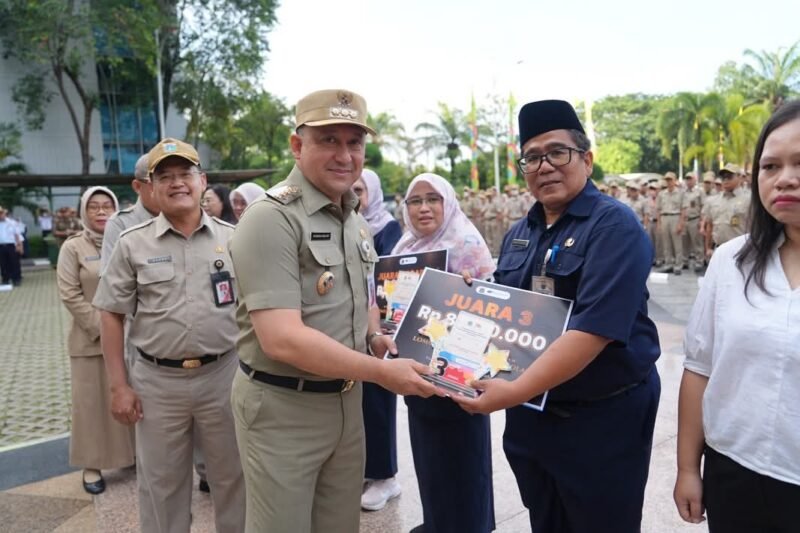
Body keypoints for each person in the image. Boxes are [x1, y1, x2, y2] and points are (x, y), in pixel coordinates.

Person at [228, 88, 440, 533]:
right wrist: (381, 372)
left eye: (354, 142)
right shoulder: (272, 217)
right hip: (284, 407)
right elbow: (281, 337)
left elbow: (352, 301)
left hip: (346, 402)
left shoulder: (353, 219)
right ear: (297, 144)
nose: (345, 155)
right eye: (329, 140)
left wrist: (374, 337)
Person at [453, 100, 661, 533]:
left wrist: (510, 393)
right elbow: (505, 313)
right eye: (531, 157)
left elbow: (592, 331)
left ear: (586, 159)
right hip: (532, 417)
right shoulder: (518, 232)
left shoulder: (613, 227)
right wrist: (467, 307)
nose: (544, 165)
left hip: (600, 420)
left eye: (557, 152)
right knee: (546, 520)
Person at [94, 138, 245, 533]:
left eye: (185, 174)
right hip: (157, 382)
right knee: (162, 486)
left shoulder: (234, 239)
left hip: (224, 375)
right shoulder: (133, 243)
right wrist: (118, 387)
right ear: (152, 186)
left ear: (202, 180)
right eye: (165, 176)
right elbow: (110, 315)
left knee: (234, 478)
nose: (177, 183)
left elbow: (255, 310)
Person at [674, 100, 800, 531]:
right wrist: (689, 469)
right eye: (770, 166)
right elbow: (699, 367)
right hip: (734, 472)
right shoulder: (731, 261)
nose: (785, 179)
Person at [393, 172, 496, 533]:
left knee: (462, 460)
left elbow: (491, 311)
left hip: (457, 376)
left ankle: (469, 525)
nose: (423, 208)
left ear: (448, 203)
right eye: (415, 201)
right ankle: (438, 522)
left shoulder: (465, 243)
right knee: (430, 457)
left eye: (432, 199)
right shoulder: (405, 247)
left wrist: (472, 293)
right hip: (416, 370)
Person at [56, 186, 134, 494]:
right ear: (83, 211)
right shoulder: (73, 247)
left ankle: (132, 456)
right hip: (89, 341)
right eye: (94, 207)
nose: (101, 212)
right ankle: (92, 466)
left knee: (130, 398)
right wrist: (104, 328)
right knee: (91, 406)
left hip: (130, 338)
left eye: (107, 206)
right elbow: (69, 293)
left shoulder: (126, 242)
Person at [350, 168, 405, 511]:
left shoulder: (387, 227)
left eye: (360, 189)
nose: (354, 195)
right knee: (359, 404)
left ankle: (385, 477)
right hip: (351, 326)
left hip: (381, 327)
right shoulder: (345, 223)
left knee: (377, 401)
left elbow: (387, 276)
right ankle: (368, 472)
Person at [705, 163, 750, 256]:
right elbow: (710, 226)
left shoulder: (749, 200)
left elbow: (756, 227)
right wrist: (708, 247)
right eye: (723, 178)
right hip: (719, 249)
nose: (725, 180)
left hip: (741, 250)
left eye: (729, 177)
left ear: (739, 177)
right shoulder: (714, 200)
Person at [656, 171, 686, 274]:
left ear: (675, 180)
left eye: (670, 180)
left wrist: (681, 223)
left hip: (675, 217)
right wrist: (659, 223)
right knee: (666, 243)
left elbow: (683, 210)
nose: (668, 182)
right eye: (667, 180)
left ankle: (678, 265)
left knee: (677, 243)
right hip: (665, 217)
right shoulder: (661, 194)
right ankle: (668, 264)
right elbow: (658, 210)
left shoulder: (681, 193)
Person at [682, 172, 705, 271]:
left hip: (695, 219)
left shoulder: (699, 192)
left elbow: (703, 207)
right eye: (687, 179)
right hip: (685, 220)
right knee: (685, 242)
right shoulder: (683, 192)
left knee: (697, 243)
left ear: (695, 180)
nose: (688, 181)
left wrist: (701, 220)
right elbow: (682, 207)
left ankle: (699, 261)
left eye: (690, 179)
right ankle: (685, 261)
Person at [0, 206, 23, 285]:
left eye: (1, 213)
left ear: (4, 213)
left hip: (11, 245)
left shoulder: (11, 223)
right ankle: (5, 279)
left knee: (14, 262)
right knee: (3, 263)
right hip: (1, 246)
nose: (0, 215)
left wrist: (18, 245)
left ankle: (16, 279)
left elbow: (17, 235)